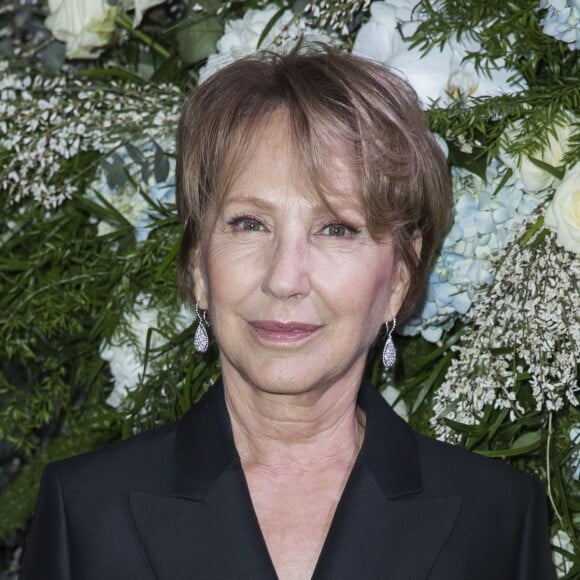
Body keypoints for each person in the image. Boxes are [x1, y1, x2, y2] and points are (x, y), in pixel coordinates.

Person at [20, 46, 555, 580]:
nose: (284, 279)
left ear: (400, 277)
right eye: (249, 223)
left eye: (336, 228)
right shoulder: (87, 511)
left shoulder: (498, 519)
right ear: (199, 267)